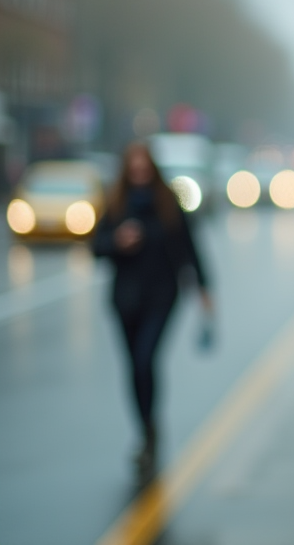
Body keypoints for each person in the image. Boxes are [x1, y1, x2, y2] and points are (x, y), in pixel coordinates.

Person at [93, 142, 211, 475]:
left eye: (145, 166)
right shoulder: (116, 204)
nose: (140, 172)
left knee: (146, 359)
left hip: (161, 296)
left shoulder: (168, 204)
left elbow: (189, 248)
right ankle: (145, 428)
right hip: (125, 300)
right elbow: (95, 247)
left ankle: (149, 430)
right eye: (135, 167)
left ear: (153, 169)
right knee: (134, 367)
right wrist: (117, 241)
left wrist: (204, 289)